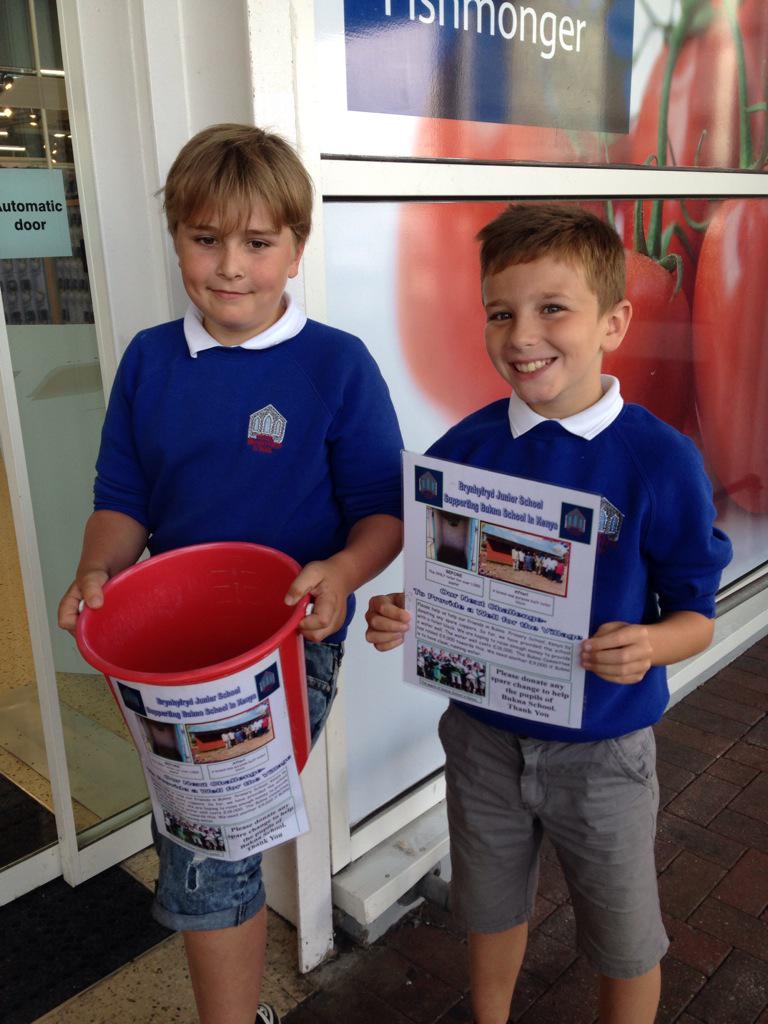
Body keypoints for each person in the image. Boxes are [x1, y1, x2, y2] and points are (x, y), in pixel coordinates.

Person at [58, 123, 403, 1024]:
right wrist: (98, 566)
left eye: (258, 242)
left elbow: (382, 511)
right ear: (176, 235)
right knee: (205, 837)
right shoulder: (148, 360)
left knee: (207, 845)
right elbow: (122, 496)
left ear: (297, 246)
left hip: (292, 645)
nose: (229, 267)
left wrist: (341, 568)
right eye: (205, 239)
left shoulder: (337, 364)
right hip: (172, 656)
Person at [365, 204, 731, 1024]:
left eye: (552, 308)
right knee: (489, 908)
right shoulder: (462, 448)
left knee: (626, 938)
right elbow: (447, 583)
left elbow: (697, 612)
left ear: (615, 322)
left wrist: (651, 644)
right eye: (502, 311)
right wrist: (405, 613)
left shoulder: (658, 458)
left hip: (603, 752)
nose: (522, 333)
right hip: (482, 738)